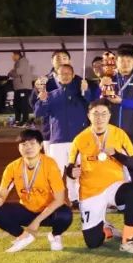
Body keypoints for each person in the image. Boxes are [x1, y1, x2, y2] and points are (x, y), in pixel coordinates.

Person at [66, 99, 133, 253]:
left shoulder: (119, 134)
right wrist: (72, 172)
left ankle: (127, 240)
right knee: (93, 242)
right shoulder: (80, 139)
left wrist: (116, 154)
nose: (99, 118)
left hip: (114, 186)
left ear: (110, 115)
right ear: (89, 115)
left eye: (104, 114)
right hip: (90, 192)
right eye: (95, 114)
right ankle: (106, 228)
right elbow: (69, 167)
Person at [0, 129, 72, 253]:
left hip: (49, 212)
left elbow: (59, 199)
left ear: (40, 146)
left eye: (32, 143)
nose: (28, 147)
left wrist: (36, 222)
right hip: (27, 210)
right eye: (24, 144)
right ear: (19, 148)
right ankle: (23, 237)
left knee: (65, 215)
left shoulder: (50, 165)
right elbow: (1, 195)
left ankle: (55, 235)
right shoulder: (12, 167)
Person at [33, 63, 90, 198]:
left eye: (68, 73)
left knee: (76, 171)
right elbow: (38, 113)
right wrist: (42, 100)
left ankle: (75, 198)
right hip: (57, 140)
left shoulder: (80, 93)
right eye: (62, 74)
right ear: (57, 76)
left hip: (78, 140)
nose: (65, 76)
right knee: (56, 172)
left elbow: (92, 105)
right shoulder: (51, 95)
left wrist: (86, 91)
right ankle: (56, 199)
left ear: (73, 75)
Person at [8, 51, 34, 126]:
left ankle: (25, 120)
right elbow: (16, 72)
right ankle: (18, 120)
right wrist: (13, 72)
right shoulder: (18, 62)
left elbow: (19, 72)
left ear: (17, 55)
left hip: (23, 87)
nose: (12, 58)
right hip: (18, 87)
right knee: (17, 104)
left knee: (23, 104)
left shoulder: (23, 61)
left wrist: (11, 72)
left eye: (13, 56)